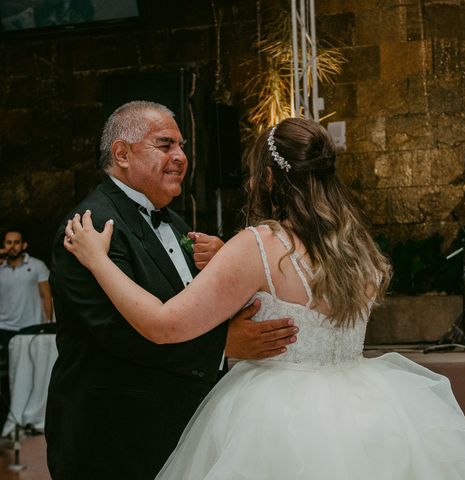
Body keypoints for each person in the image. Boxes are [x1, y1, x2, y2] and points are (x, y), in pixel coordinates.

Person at [64, 117, 465, 479]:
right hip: (370, 409)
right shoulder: (354, 243)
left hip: (277, 420)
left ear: (266, 177)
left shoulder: (259, 245)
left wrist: (97, 260)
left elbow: (165, 325)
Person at [45, 101, 298, 480]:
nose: (181, 157)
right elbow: (118, 333)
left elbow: (190, 305)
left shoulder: (175, 221)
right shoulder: (90, 226)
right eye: (165, 146)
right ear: (122, 154)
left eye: (182, 147)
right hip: (115, 435)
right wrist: (222, 347)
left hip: (172, 429)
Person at [0, 229, 53, 352]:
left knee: (25, 368)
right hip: (3, 326)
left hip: (30, 326)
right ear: (4, 245)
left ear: (24, 245)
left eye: (16, 242)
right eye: (8, 242)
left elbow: (47, 295)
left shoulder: (37, 265)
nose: (12, 246)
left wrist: (48, 323)